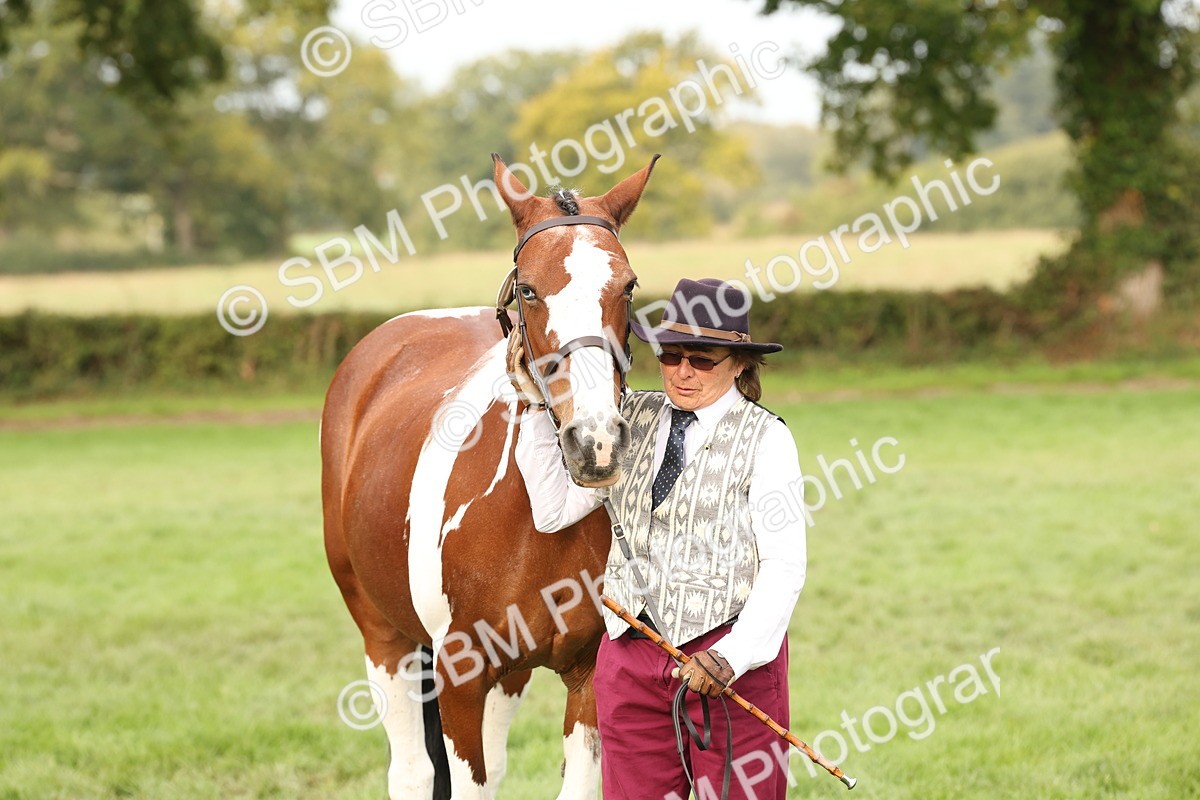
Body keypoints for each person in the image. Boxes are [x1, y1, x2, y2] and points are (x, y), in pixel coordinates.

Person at [510, 278, 807, 800]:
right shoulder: (632, 419)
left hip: (733, 664)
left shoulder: (768, 439)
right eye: (671, 356)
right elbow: (555, 510)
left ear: (740, 363)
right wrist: (536, 408)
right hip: (631, 661)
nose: (683, 371)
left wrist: (733, 656)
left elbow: (784, 566)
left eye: (702, 359)